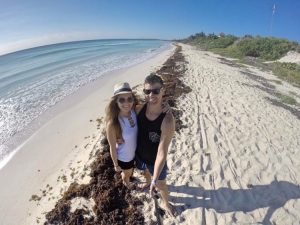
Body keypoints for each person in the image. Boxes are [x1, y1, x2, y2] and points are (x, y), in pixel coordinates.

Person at [135, 73, 176, 216]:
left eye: (156, 91)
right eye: (147, 91)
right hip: (140, 155)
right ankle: (148, 180)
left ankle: (166, 202)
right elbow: (118, 112)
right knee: (145, 172)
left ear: (163, 90)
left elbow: (162, 152)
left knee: (161, 185)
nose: (151, 95)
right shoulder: (138, 109)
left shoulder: (167, 120)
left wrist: (155, 178)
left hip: (156, 161)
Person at [105, 82, 138, 188]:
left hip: (136, 153)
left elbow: (151, 107)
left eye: (129, 99)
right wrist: (116, 164)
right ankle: (126, 182)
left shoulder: (134, 111)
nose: (126, 103)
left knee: (131, 170)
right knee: (127, 173)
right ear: (116, 102)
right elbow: (112, 147)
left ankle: (128, 178)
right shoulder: (113, 123)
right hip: (125, 157)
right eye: (122, 100)